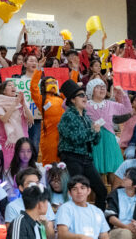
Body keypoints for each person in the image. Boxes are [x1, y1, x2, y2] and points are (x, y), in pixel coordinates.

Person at [58, 79, 107, 211]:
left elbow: (95, 141)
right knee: (77, 192)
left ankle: (98, 220)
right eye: (81, 95)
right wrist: (92, 131)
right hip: (72, 158)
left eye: (85, 95)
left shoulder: (86, 116)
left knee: (101, 190)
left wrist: (96, 132)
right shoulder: (68, 116)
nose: (85, 97)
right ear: (73, 100)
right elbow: (76, 138)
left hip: (86, 158)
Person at [86, 78, 132, 181]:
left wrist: (123, 94)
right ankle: (101, 197)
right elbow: (65, 106)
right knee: (98, 175)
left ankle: (113, 197)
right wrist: (77, 89)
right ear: (91, 90)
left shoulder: (110, 104)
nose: (102, 89)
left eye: (103, 87)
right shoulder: (86, 105)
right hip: (95, 140)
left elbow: (127, 109)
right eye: (98, 87)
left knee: (114, 174)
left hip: (110, 140)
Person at [0, 80, 33, 168]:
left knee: (22, 168)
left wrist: (24, 104)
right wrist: (15, 104)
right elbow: (4, 119)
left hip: (23, 141)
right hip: (7, 142)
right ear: (4, 90)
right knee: (7, 168)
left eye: (14, 85)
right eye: (10, 85)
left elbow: (31, 120)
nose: (13, 87)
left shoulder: (21, 103)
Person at [5, 167, 55, 238]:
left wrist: (46, 225)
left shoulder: (43, 208)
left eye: (37, 183)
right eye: (30, 183)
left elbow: (51, 237)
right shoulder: (13, 209)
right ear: (21, 188)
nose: (35, 186)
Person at [30, 64, 65, 165]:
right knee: (50, 163)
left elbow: (71, 90)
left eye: (54, 82)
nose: (53, 84)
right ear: (44, 86)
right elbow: (33, 87)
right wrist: (39, 69)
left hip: (64, 136)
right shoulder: (41, 99)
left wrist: (75, 71)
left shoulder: (62, 97)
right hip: (49, 136)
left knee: (63, 164)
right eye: (49, 82)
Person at [105, 167, 136, 239]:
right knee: (125, 233)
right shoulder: (115, 194)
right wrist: (126, 227)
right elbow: (111, 218)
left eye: (127, 177)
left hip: (134, 231)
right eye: (125, 175)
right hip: (117, 229)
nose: (123, 178)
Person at [4, 137, 44, 201]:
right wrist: (15, 189)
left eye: (29, 151)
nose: (26, 155)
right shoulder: (9, 172)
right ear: (17, 152)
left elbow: (43, 191)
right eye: (22, 151)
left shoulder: (40, 170)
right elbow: (8, 196)